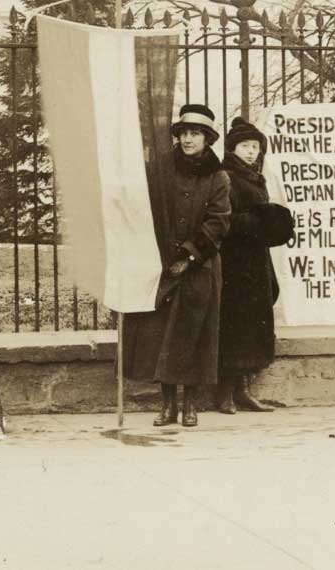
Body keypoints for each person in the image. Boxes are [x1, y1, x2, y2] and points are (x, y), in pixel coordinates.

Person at [124, 104, 231, 428]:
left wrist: (190, 256)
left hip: (200, 268)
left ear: (207, 138)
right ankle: (167, 404)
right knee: (161, 337)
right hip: (163, 267)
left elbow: (219, 222)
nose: (188, 139)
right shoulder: (159, 171)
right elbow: (143, 206)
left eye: (195, 133)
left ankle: (190, 405)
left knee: (195, 336)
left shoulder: (218, 177)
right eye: (184, 132)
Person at [215, 117, 294, 414]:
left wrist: (272, 222)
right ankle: (224, 393)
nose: (251, 152)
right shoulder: (225, 177)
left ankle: (243, 390)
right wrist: (260, 219)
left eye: (255, 147)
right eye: (245, 146)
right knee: (233, 326)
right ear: (233, 148)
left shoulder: (254, 177)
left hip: (255, 261)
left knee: (252, 325)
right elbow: (223, 219)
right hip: (234, 263)